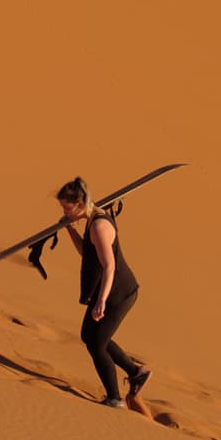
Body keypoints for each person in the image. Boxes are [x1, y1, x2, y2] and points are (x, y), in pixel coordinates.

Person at [56, 176, 153, 412]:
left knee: (97, 344)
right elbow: (87, 253)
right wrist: (69, 229)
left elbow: (109, 266)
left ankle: (115, 398)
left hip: (119, 293)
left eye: (68, 208)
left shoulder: (99, 225)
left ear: (80, 204)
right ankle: (136, 372)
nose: (65, 211)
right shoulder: (90, 221)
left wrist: (101, 301)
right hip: (107, 289)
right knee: (89, 335)